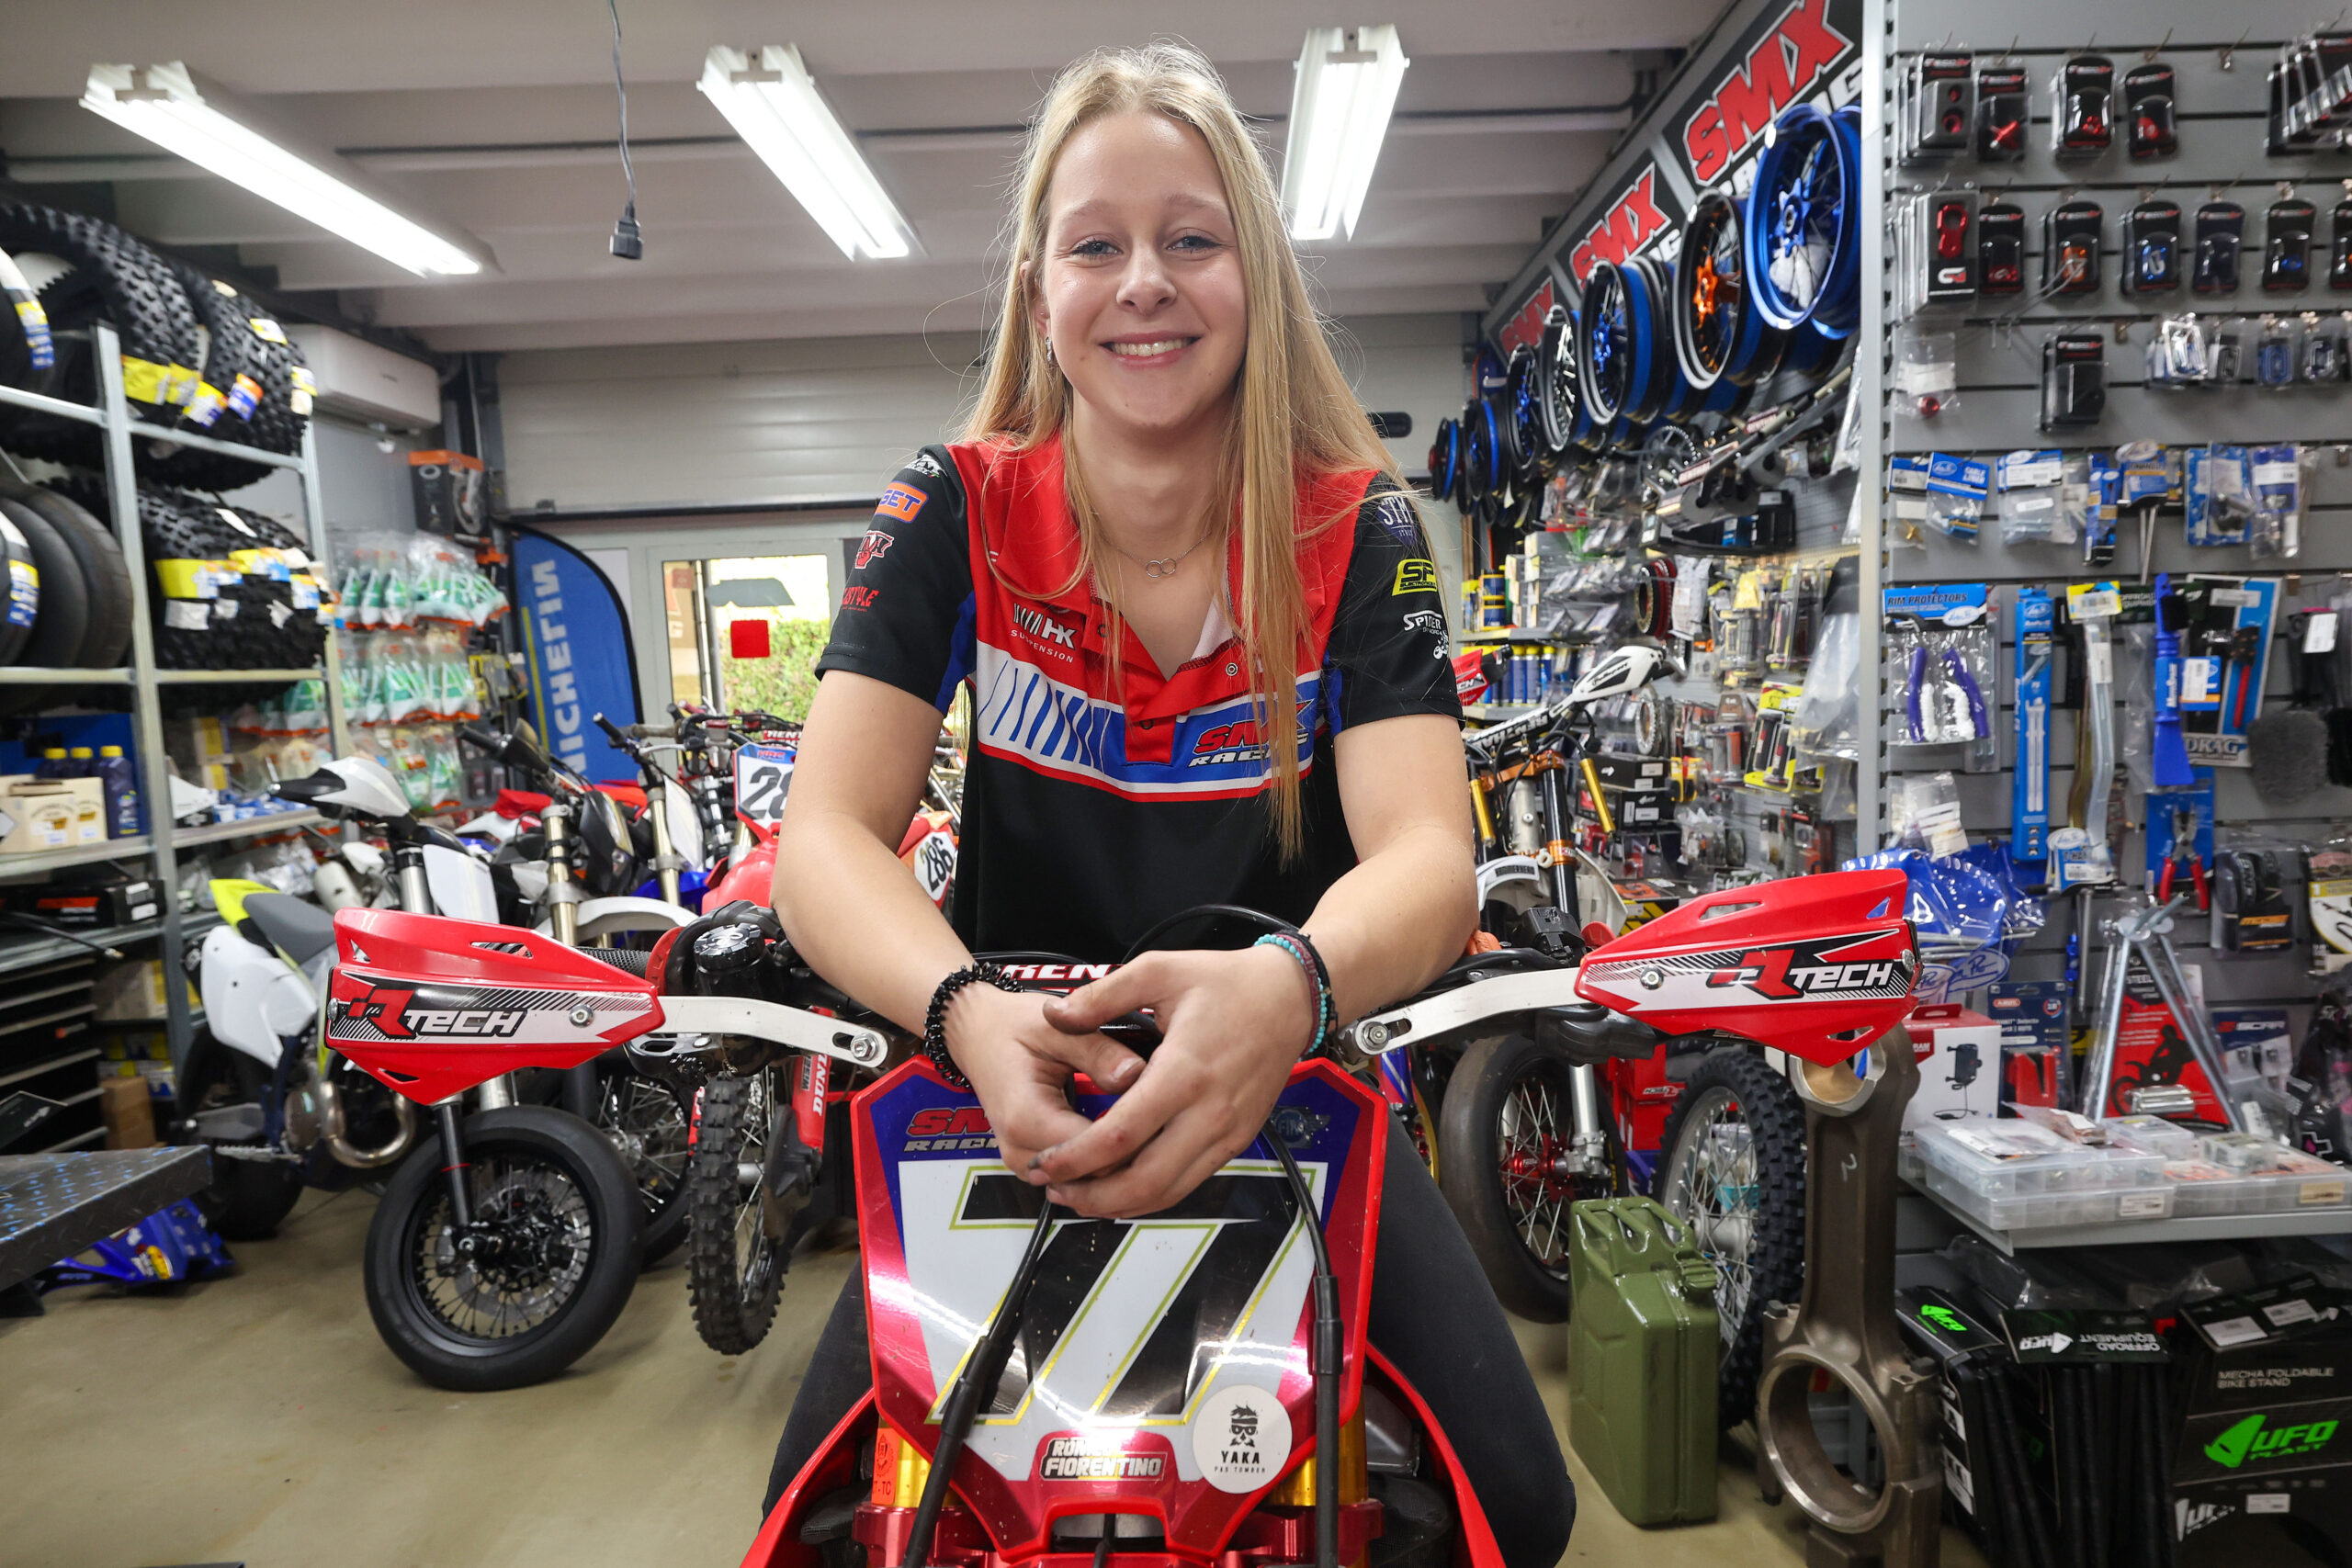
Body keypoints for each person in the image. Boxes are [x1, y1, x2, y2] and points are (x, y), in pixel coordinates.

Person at [766, 41, 1572, 1566]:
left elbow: (1427, 854)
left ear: (1254, 279)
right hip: (1005, 1099)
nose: (1145, 280)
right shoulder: (952, 507)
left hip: (1298, 1096)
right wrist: (960, 1013)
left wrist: (1293, 986)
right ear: (1039, 296)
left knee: (1511, 1511)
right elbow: (822, 837)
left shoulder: (1362, 528)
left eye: (1192, 239)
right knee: (807, 1528)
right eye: (1097, 245)